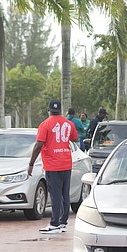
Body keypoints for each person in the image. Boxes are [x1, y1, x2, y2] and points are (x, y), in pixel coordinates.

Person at [28, 99, 78, 233]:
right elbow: (75, 138)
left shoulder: (45, 124)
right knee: (64, 194)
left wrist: (31, 163)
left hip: (52, 165)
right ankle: (63, 222)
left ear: (48, 110)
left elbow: (38, 145)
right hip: (66, 163)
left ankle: (54, 223)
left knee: (55, 194)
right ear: (60, 110)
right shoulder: (69, 123)